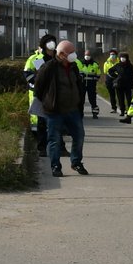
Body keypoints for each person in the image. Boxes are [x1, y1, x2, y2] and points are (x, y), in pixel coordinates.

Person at [33, 39, 89, 177]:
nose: (73, 55)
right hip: (54, 111)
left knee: (79, 136)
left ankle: (76, 162)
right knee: (54, 139)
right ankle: (56, 166)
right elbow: (38, 88)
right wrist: (47, 103)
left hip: (73, 110)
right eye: (71, 52)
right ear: (62, 54)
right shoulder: (49, 68)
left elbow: (78, 85)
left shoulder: (74, 67)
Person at [110, 52, 133, 123]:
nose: (122, 59)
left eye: (124, 57)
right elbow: (110, 71)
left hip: (128, 85)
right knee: (120, 99)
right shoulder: (118, 65)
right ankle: (122, 111)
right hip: (119, 85)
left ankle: (129, 112)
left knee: (129, 99)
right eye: (121, 57)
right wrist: (116, 77)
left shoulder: (130, 66)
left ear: (127, 58)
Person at [77, 48, 103, 118]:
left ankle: (95, 113)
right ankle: (80, 113)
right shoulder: (80, 63)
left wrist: (95, 79)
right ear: (84, 55)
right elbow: (77, 73)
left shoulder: (95, 64)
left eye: (88, 55)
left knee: (92, 99)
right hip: (82, 84)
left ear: (91, 56)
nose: (87, 56)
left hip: (91, 85)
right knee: (81, 99)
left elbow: (98, 74)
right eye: (86, 55)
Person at [102, 49, 122, 113]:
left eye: (113, 54)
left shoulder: (119, 62)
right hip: (109, 79)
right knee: (112, 94)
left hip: (117, 79)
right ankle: (114, 108)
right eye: (111, 54)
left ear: (116, 55)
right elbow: (105, 71)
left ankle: (122, 108)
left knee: (119, 94)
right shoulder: (106, 63)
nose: (112, 55)